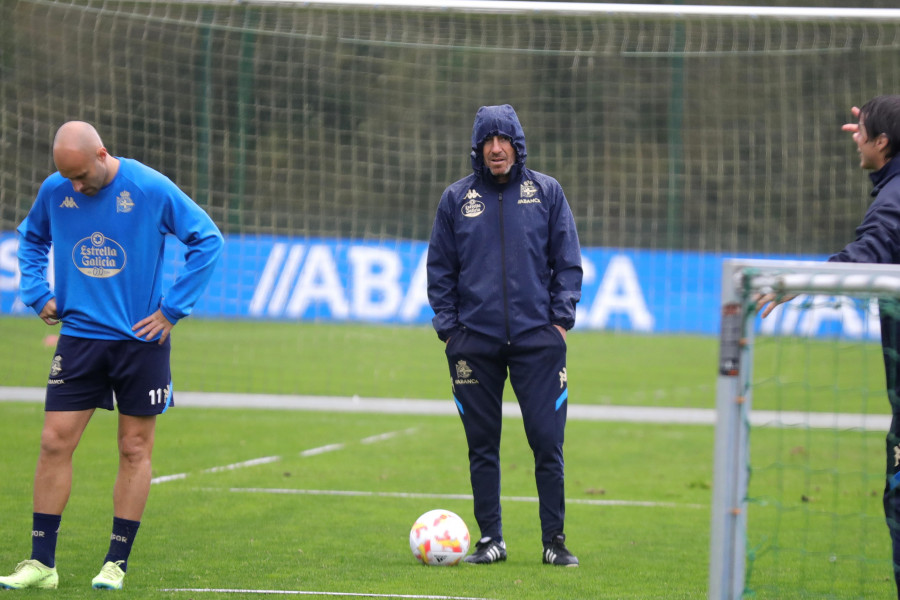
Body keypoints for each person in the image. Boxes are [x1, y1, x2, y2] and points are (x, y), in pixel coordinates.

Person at [0, 121, 224, 590]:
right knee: (53, 442)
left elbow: (208, 240)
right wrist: (37, 291)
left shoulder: (149, 187)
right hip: (80, 337)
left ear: (102, 154)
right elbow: (33, 238)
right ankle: (42, 564)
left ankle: (115, 564)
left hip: (140, 342)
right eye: (68, 179)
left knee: (134, 448)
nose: (75, 187)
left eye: (81, 176)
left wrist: (172, 310)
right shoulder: (56, 189)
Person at [426, 104, 583, 566]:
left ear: (517, 144)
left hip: (539, 343)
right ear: (478, 149)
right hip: (473, 345)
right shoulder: (456, 199)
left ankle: (553, 542)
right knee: (482, 445)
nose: (496, 149)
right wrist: (452, 333)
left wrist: (559, 323)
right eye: (487, 141)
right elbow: (440, 271)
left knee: (546, 442)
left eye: (504, 140)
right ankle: (490, 539)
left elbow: (567, 262)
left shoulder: (547, 192)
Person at [757, 95, 900, 598]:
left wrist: (799, 281)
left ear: (883, 143)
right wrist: (876, 121)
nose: (856, 139)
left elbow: (871, 252)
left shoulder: (895, 197)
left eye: (865, 134)